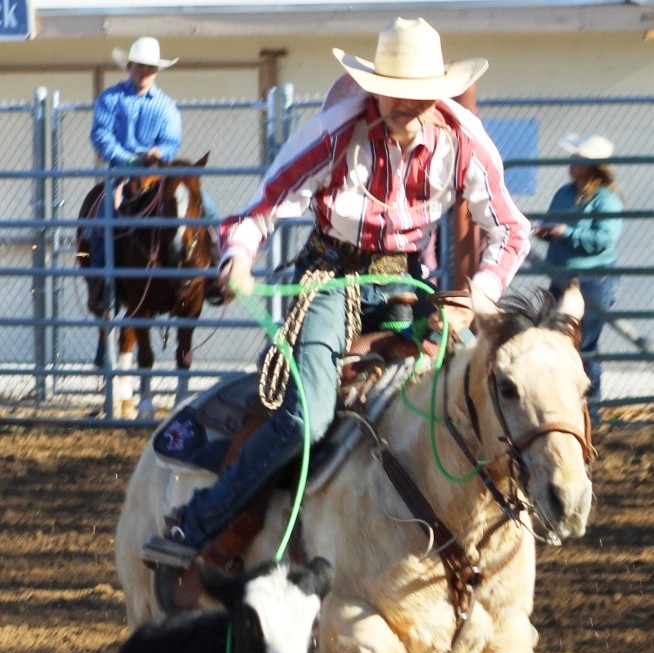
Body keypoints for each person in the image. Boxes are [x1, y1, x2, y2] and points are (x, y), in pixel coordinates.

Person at [142, 16, 531, 571]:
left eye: (418, 93)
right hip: (330, 278)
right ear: (375, 88)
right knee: (308, 416)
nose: (405, 104)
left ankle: (491, 535)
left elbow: (511, 230)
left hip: (406, 284)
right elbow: (260, 208)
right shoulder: (335, 132)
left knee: (477, 389)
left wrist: (480, 294)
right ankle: (199, 520)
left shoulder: (464, 140)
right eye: (393, 90)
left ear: (437, 93)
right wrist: (239, 257)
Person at [88, 37, 218, 267]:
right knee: (104, 215)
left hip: (158, 174)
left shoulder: (166, 106)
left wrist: (160, 153)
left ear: (156, 71)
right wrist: (130, 160)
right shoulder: (110, 98)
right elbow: (101, 135)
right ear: (129, 67)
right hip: (121, 173)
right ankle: (102, 277)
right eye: (140, 65)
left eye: (150, 67)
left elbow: (171, 142)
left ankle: (218, 267)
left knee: (207, 208)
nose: (145, 71)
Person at [534, 133, 624, 423]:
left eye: (577, 158)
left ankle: (590, 414)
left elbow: (603, 240)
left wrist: (565, 233)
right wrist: (545, 230)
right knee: (555, 340)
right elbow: (552, 222)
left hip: (592, 280)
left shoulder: (607, 199)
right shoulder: (565, 193)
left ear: (592, 166)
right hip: (562, 278)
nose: (571, 162)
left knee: (584, 346)